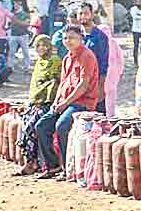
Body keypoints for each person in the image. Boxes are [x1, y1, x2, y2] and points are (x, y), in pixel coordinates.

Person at [33, 25, 99, 180]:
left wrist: (64, 104)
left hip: (82, 102)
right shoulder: (67, 58)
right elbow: (63, 83)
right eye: (65, 38)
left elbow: (83, 85)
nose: (68, 41)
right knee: (41, 126)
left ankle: (67, 168)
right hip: (64, 101)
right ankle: (52, 165)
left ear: (81, 38)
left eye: (72, 38)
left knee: (61, 126)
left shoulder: (87, 56)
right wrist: (56, 103)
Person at [17, 35, 63, 177]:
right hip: (37, 102)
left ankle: (44, 163)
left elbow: (56, 83)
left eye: (44, 45)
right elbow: (35, 85)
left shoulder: (55, 61)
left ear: (49, 46)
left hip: (50, 102)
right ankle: (31, 161)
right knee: (24, 123)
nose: (41, 48)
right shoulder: (39, 62)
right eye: (38, 46)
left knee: (33, 126)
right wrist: (32, 102)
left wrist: (45, 99)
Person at [76, 2, 111, 113]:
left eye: (86, 13)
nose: (83, 16)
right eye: (80, 13)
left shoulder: (100, 37)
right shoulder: (76, 35)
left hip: (94, 85)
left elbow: (104, 64)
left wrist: (100, 88)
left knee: (98, 121)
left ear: (92, 15)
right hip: (78, 84)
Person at [8, 0, 32, 71]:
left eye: (16, 3)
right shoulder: (11, 13)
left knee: (26, 52)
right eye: (14, 4)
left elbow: (27, 24)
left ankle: (27, 66)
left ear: (20, 4)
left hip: (23, 35)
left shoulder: (25, 14)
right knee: (11, 52)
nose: (14, 5)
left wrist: (15, 21)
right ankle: (11, 66)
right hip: (13, 34)